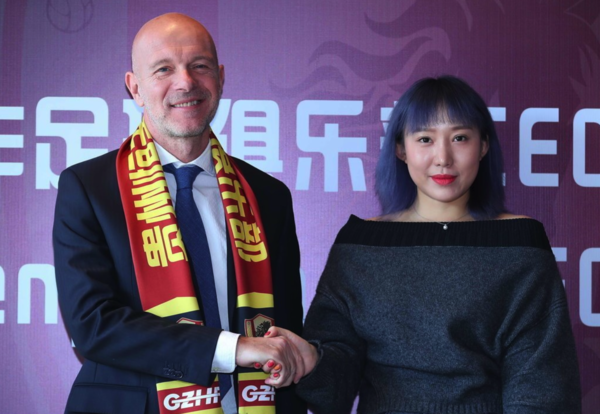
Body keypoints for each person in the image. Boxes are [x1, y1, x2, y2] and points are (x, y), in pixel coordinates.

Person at [269, 76, 581, 413]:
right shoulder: (360, 243)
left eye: (460, 138)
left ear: (483, 146)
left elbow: (542, 388)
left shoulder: (520, 244)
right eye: (425, 139)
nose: (443, 157)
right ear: (401, 149)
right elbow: (334, 386)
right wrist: (312, 361)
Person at [53, 13, 306, 414]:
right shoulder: (89, 188)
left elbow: (284, 329)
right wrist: (232, 348)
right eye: (163, 69)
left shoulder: (267, 196)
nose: (186, 82)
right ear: (135, 88)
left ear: (220, 78)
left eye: (200, 66)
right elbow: (93, 325)